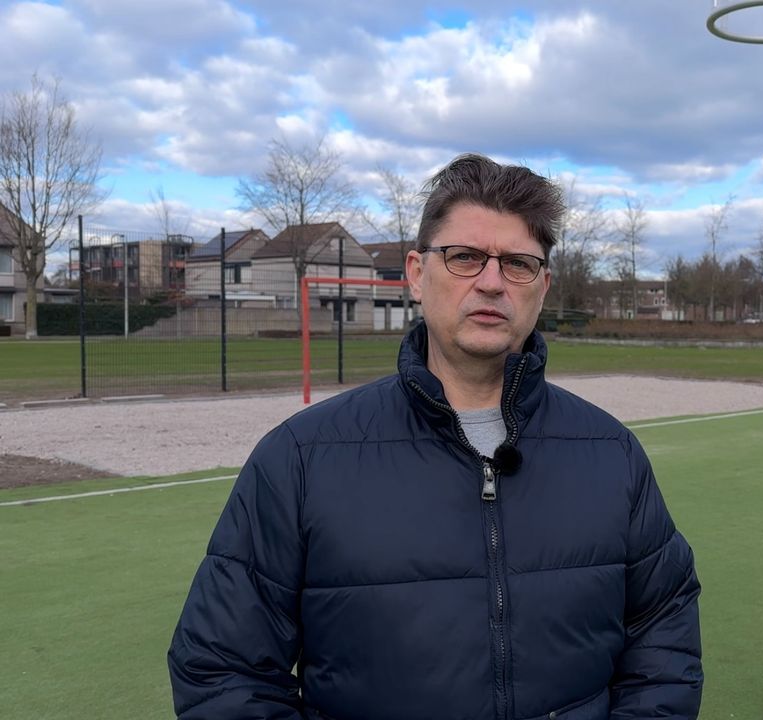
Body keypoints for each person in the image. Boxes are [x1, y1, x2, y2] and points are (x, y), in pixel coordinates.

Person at [168, 154, 702, 719]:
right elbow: (223, 670)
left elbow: (663, 639)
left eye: (518, 263)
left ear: (542, 287)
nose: (492, 282)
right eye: (465, 257)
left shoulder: (611, 454)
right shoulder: (301, 459)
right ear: (418, 275)